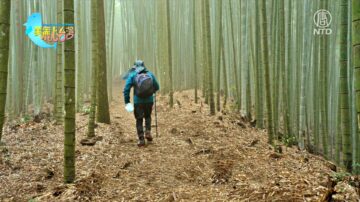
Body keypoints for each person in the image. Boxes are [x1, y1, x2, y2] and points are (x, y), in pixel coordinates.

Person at [123, 60, 160, 147]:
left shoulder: (132, 75)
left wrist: (127, 101)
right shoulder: (150, 74)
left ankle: (141, 139)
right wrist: (152, 91)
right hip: (149, 100)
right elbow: (157, 86)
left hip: (138, 101)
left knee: (139, 119)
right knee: (148, 116)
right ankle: (148, 131)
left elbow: (126, 89)